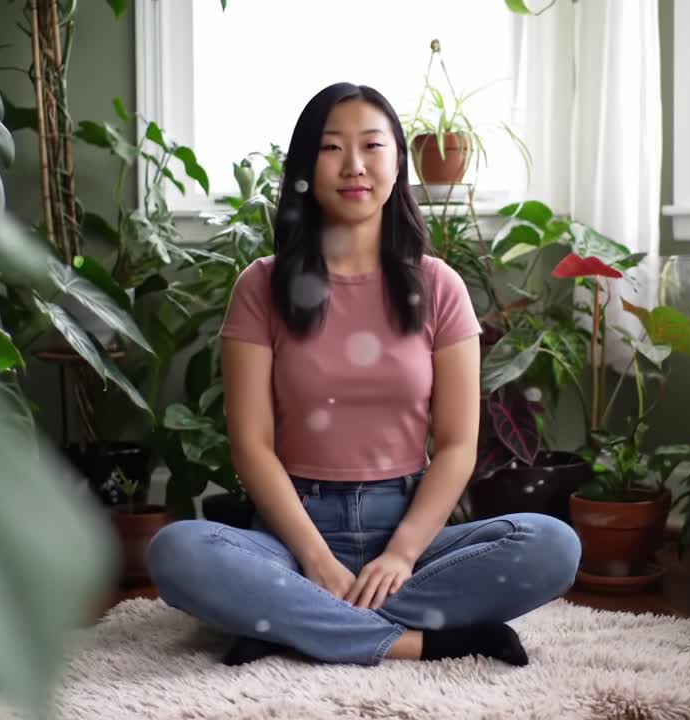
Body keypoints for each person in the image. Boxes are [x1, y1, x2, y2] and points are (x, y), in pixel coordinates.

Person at [146, 82, 581, 668]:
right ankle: (418, 642)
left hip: (409, 527)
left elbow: (456, 446)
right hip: (292, 531)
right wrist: (317, 562)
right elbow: (250, 445)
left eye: (372, 145)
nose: (354, 165)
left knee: (553, 545)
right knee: (179, 552)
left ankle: (292, 626)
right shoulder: (261, 286)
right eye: (331, 149)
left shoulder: (439, 287)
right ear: (305, 167)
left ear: (397, 163)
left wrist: (402, 554)